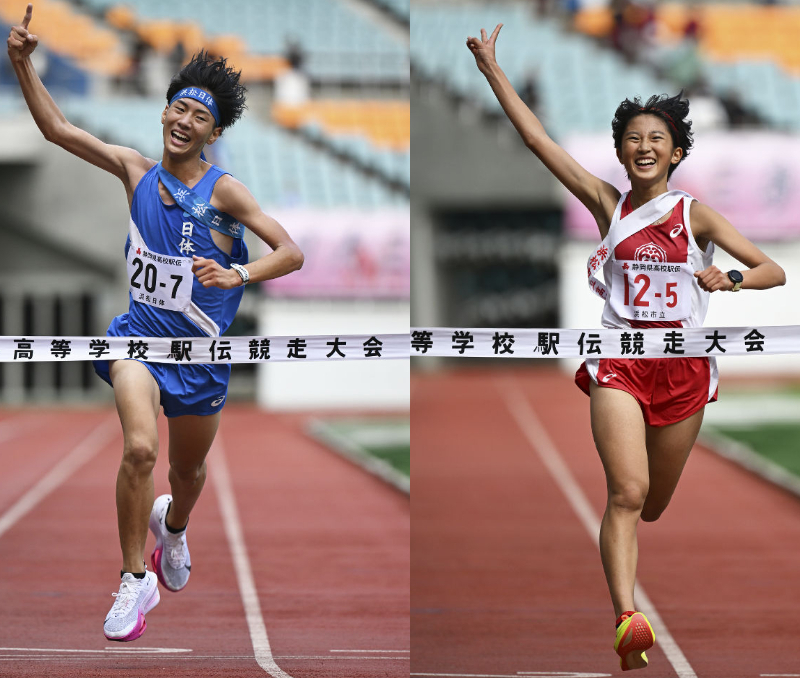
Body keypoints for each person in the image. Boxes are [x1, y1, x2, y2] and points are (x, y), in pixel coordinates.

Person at [467, 24, 785, 671]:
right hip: (620, 362)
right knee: (627, 493)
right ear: (621, 151)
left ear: (674, 155)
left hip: (686, 372)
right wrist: (492, 71)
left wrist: (730, 278)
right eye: (634, 139)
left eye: (656, 141)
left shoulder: (697, 217)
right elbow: (537, 141)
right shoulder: (607, 204)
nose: (644, 147)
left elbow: (772, 269)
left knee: (656, 505)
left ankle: (629, 585)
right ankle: (626, 617)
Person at [7, 4, 303, 642]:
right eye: (179, 108)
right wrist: (23, 64)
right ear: (164, 113)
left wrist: (238, 276)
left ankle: (173, 528)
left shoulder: (226, 192)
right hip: (136, 341)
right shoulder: (135, 170)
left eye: (200, 116)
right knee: (140, 449)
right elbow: (57, 129)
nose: (185, 120)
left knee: (186, 477)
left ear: (212, 133)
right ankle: (134, 577)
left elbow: (290, 251)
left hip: (200, 361)